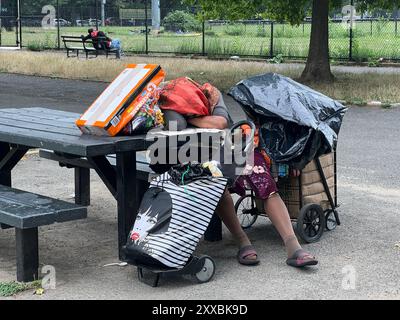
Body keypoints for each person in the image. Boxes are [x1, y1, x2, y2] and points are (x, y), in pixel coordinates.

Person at [165, 91, 318, 268]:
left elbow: (220, 123)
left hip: (243, 149)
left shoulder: (210, 94)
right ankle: (242, 241)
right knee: (216, 182)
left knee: (264, 184)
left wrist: (190, 119)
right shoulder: (168, 101)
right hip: (215, 151)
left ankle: (293, 246)